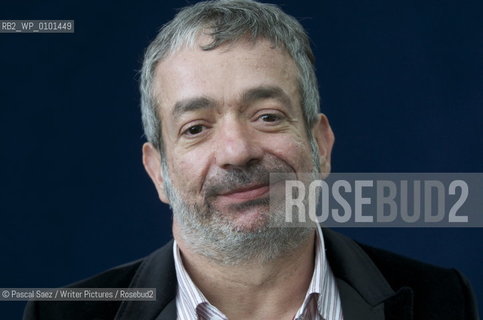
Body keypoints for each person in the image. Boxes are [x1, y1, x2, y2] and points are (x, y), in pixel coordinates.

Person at [24, 0, 479, 319]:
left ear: (321, 145)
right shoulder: (63, 314)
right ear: (157, 172)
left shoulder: (441, 301)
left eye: (267, 116)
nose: (237, 151)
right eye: (196, 127)